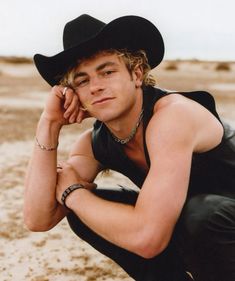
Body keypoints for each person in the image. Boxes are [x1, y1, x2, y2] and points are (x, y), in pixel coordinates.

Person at [24, 14, 235, 281]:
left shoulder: (173, 116)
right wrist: (49, 123)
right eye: (82, 80)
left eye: (107, 72)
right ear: (73, 94)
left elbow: (148, 239)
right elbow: (38, 218)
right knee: (89, 211)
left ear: (136, 73)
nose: (96, 87)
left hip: (220, 225)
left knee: (202, 215)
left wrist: (74, 194)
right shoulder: (93, 143)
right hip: (206, 237)